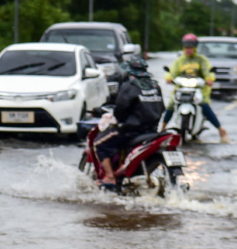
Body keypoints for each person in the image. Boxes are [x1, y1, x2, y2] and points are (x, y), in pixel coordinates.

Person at [94, 56, 165, 190]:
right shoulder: (156, 86)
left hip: (130, 132)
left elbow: (120, 112)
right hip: (151, 131)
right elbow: (162, 108)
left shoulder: (129, 86)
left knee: (99, 144)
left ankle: (110, 177)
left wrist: (119, 121)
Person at [161, 33, 229, 143]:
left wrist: (210, 79)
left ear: (195, 48)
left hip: (199, 90)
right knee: (171, 105)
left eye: (190, 47)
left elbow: (208, 72)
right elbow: (171, 72)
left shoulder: (201, 60)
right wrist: (168, 78)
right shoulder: (179, 61)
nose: (188, 50)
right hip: (182, 88)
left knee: (205, 106)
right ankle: (162, 128)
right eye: (186, 47)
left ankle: (220, 130)